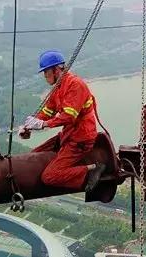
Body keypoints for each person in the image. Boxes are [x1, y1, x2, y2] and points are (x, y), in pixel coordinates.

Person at [19, 50, 106, 192]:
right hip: (69, 136)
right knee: (33, 155)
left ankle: (92, 168)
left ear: (57, 70)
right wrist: (29, 125)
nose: (45, 76)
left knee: (49, 177)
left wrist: (43, 125)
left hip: (81, 140)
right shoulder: (59, 88)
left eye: (46, 72)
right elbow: (48, 111)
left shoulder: (75, 85)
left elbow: (69, 116)